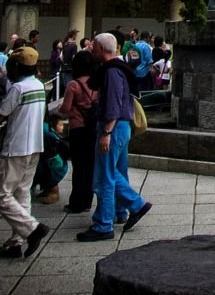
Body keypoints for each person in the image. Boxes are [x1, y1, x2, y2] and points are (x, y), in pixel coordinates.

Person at [75, 32, 152, 242]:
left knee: (103, 175)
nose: (91, 50)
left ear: (101, 49)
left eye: (93, 47)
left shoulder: (112, 72)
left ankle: (105, 223)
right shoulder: (120, 67)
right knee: (117, 170)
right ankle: (121, 211)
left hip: (114, 127)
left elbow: (113, 103)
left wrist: (106, 132)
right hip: (121, 126)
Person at [0, 46, 49, 259]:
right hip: (35, 146)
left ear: (17, 66)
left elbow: (2, 114)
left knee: (2, 195)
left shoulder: (18, 88)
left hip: (15, 148)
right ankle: (15, 242)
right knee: (22, 192)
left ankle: (31, 229)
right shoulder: (38, 85)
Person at [56, 49, 98, 213]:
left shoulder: (73, 85)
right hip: (93, 129)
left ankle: (77, 202)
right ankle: (88, 200)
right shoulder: (96, 83)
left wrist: (58, 110)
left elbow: (65, 109)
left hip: (78, 128)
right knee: (90, 165)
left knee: (79, 167)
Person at [33, 113, 69, 205]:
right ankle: (48, 190)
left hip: (55, 164)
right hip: (50, 161)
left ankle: (53, 192)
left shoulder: (52, 135)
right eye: (60, 125)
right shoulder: (50, 133)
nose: (62, 127)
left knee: (47, 172)